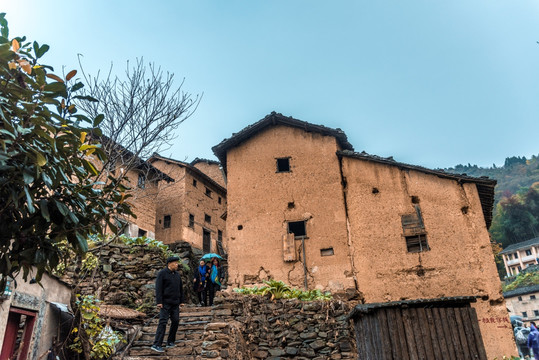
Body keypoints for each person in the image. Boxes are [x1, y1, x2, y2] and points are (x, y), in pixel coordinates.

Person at [151, 256, 184, 353]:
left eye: (177, 263)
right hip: (165, 303)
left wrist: (181, 301)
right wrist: (159, 302)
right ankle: (156, 344)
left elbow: (181, 289)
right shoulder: (162, 274)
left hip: (175, 303)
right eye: (175, 263)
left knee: (176, 321)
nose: (177, 265)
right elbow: (158, 288)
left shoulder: (177, 275)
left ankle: (170, 341)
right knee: (163, 322)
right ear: (169, 264)